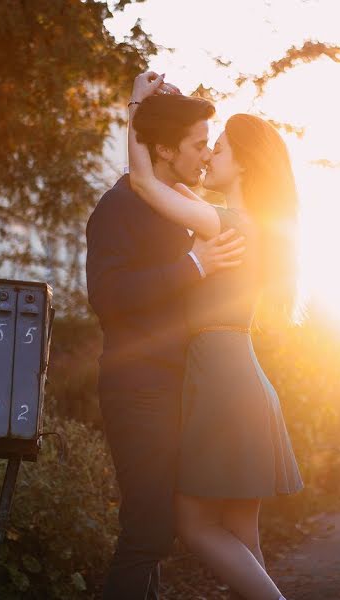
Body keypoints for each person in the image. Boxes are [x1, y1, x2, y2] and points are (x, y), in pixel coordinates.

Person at [126, 71, 305, 600]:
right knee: (242, 538)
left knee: (196, 525)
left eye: (218, 149)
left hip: (224, 380)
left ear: (244, 162)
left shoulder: (222, 222)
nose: (208, 158)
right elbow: (169, 179)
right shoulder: (251, 224)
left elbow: (142, 182)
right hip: (243, 376)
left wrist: (135, 102)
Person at [85, 87, 247, 599]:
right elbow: (109, 298)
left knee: (157, 531)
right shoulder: (117, 208)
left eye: (208, 145)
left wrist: (139, 110)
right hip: (137, 390)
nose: (205, 154)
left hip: (178, 389)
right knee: (148, 529)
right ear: (165, 150)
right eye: (198, 144)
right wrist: (195, 265)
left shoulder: (176, 205)